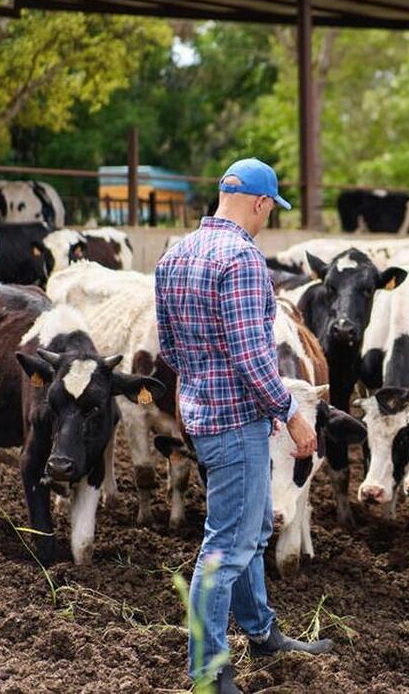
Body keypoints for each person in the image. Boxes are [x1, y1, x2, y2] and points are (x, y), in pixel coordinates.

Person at [155, 158, 334, 694]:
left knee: (251, 529)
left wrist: (202, 380)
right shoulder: (243, 260)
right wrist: (293, 415)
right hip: (239, 421)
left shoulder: (174, 256)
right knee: (225, 548)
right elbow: (254, 360)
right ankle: (207, 669)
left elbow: (168, 348)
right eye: (270, 211)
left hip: (203, 416)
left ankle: (262, 634)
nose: (267, 221)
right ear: (259, 203)